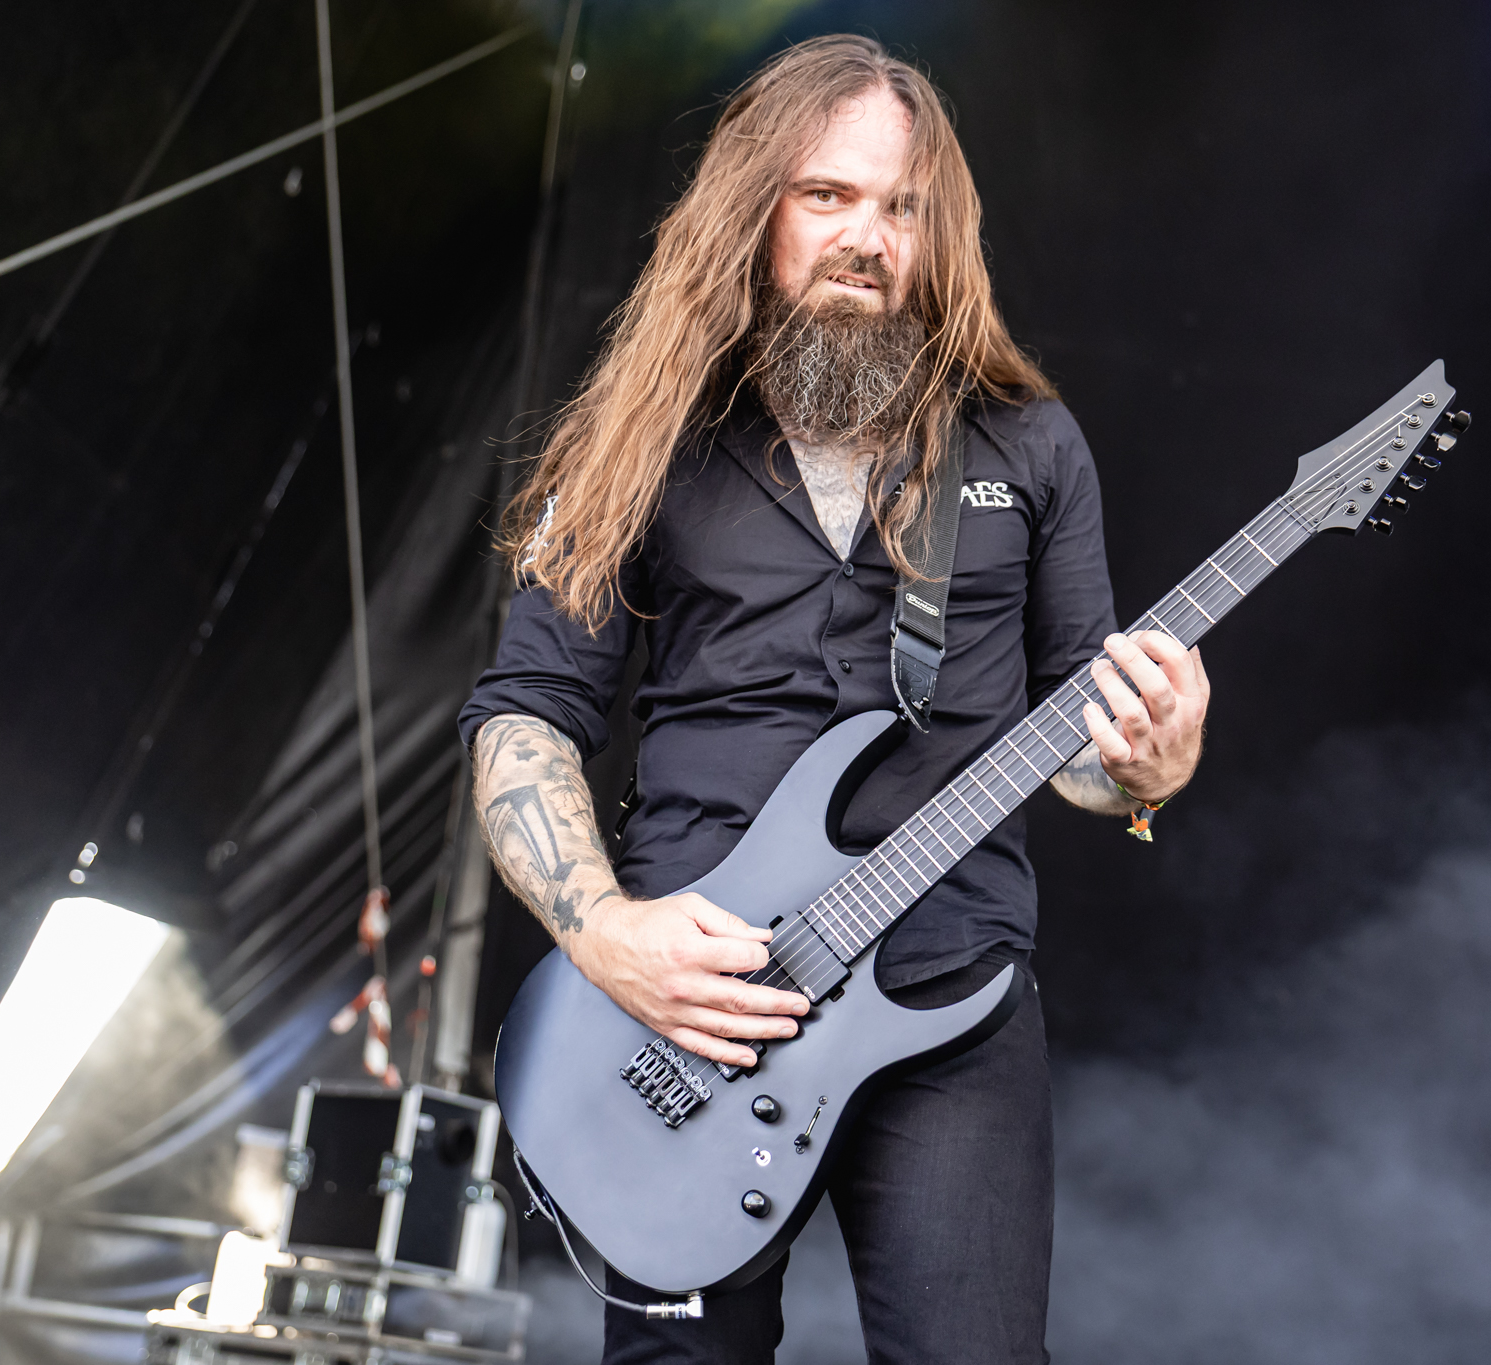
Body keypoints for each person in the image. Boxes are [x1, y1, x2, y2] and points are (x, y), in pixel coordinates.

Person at [458, 34, 1210, 1365]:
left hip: (948, 997)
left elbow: (1083, 741)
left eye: (901, 206)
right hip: (691, 1003)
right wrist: (608, 935)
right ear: (754, 211)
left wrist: (1150, 768)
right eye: (828, 195)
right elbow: (525, 713)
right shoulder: (643, 435)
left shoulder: (1028, 442)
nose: (868, 237)